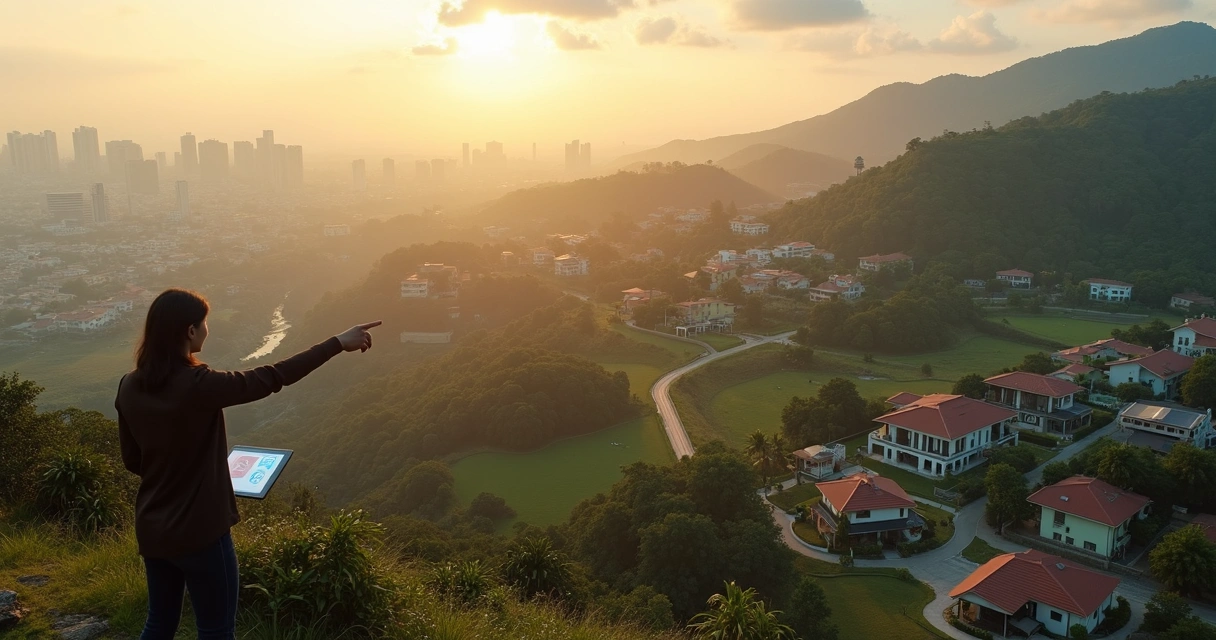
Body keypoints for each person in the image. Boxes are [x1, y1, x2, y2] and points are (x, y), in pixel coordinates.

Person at [115, 288, 380, 640]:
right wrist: (336, 343)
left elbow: (133, 459)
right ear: (189, 331)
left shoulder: (129, 386)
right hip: (202, 531)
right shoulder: (199, 385)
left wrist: (174, 473)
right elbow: (273, 376)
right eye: (204, 323)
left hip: (153, 527)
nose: (208, 329)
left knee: (159, 622)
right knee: (216, 630)